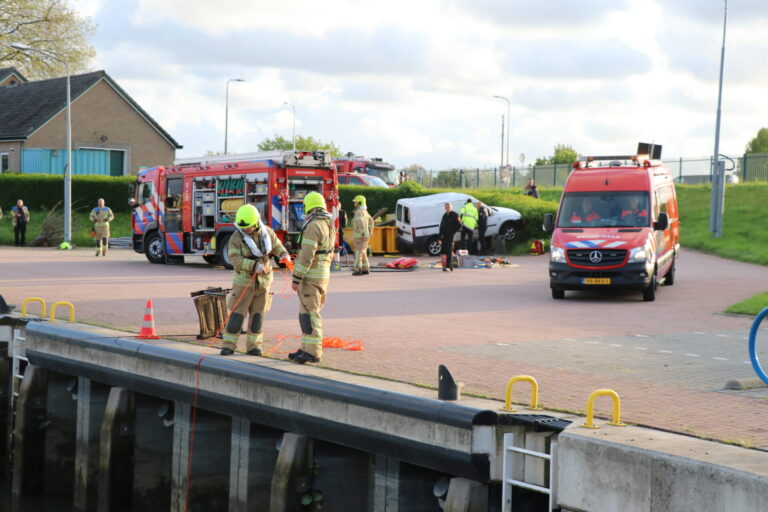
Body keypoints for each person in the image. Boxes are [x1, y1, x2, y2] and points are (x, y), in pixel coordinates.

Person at [221, 204, 292, 356]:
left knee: (258, 316)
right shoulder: (236, 238)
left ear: (256, 222)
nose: (246, 230)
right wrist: (253, 266)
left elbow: (277, 246)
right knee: (237, 315)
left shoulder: (267, 232)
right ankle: (228, 345)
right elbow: (234, 259)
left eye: (249, 227)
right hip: (243, 283)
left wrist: (284, 255)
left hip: (263, 283)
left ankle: (254, 347)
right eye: (244, 227)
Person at [289, 191, 335, 364]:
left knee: (311, 314)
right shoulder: (328, 224)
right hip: (321, 274)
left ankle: (314, 352)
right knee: (306, 313)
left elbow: (307, 255)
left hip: (311, 277)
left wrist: (296, 278)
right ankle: (306, 348)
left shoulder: (313, 225)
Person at [351, 194, 374, 276]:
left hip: (360, 236)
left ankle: (358, 269)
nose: (354, 204)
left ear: (359, 203)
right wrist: (369, 232)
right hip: (365, 235)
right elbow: (371, 221)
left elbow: (361, 224)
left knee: (358, 253)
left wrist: (363, 234)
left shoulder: (358, 212)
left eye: (356, 202)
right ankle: (365, 269)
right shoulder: (365, 212)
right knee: (363, 252)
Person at [439, 202, 461, 272]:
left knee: (449, 251)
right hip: (444, 236)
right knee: (445, 251)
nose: (447, 208)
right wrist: (439, 238)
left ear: (451, 207)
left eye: (449, 207)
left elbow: (460, 225)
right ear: (445, 208)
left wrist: (453, 232)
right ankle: (450, 266)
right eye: (446, 207)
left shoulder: (455, 215)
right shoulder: (444, 215)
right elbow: (441, 227)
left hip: (451, 236)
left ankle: (448, 266)